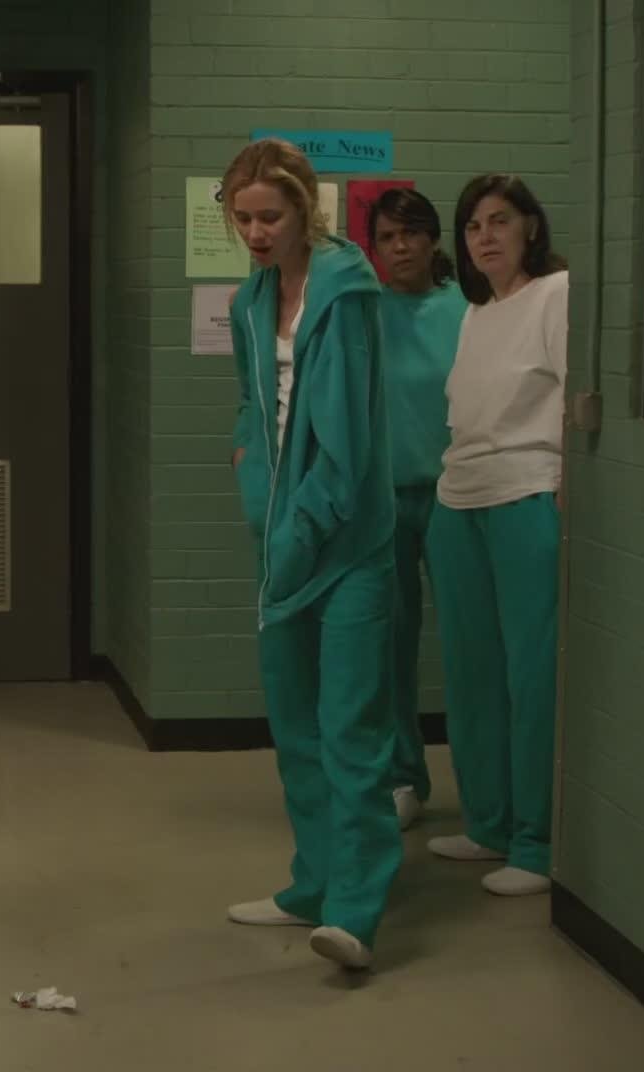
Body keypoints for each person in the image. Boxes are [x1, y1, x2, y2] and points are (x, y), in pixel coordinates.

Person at [223, 138, 400, 971]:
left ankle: (355, 913)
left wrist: (301, 528)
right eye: (244, 218)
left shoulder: (348, 291)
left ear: (305, 211)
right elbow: (250, 404)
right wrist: (249, 472)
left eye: (271, 216)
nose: (257, 233)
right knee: (294, 727)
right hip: (280, 540)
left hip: (348, 542)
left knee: (349, 731)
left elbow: (349, 443)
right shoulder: (250, 302)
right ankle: (313, 885)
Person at [424, 174, 568, 898]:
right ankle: (489, 825)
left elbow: (577, 397)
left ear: (530, 228)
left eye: (499, 221)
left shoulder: (557, 294)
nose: (484, 236)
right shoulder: (476, 311)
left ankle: (537, 845)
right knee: (472, 674)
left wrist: (567, 488)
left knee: (531, 677)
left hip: (526, 498)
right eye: (473, 225)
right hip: (459, 503)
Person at [366, 188, 471, 832]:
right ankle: (403, 776)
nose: (399, 247)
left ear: (433, 238)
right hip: (384, 502)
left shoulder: (469, 309)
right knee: (389, 645)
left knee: (468, 643)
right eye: (386, 237)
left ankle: (485, 790)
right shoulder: (365, 312)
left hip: (456, 499)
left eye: (410, 233)